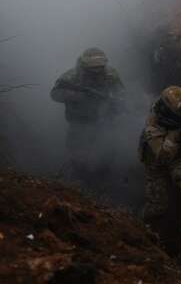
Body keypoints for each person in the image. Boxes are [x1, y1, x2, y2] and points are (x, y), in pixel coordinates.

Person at [138, 86, 181, 254]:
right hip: (156, 159)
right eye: (180, 116)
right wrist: (175, 136)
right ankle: (142, 230)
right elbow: (162, 157)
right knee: (158, 206)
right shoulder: (152, 123)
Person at [50, 47, 125, 191]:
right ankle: (76, 188)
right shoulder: (72, 76)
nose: (96, 71)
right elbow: (54, 94)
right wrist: (78, 97)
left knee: (107, 155)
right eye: (93, 68)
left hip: (104, 123)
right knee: (77, 158)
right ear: (84, 64)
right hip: (79, 124)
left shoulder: (111, 74)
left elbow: (121, 92)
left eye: (99, 67)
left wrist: (116, 101)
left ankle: (104, 185)